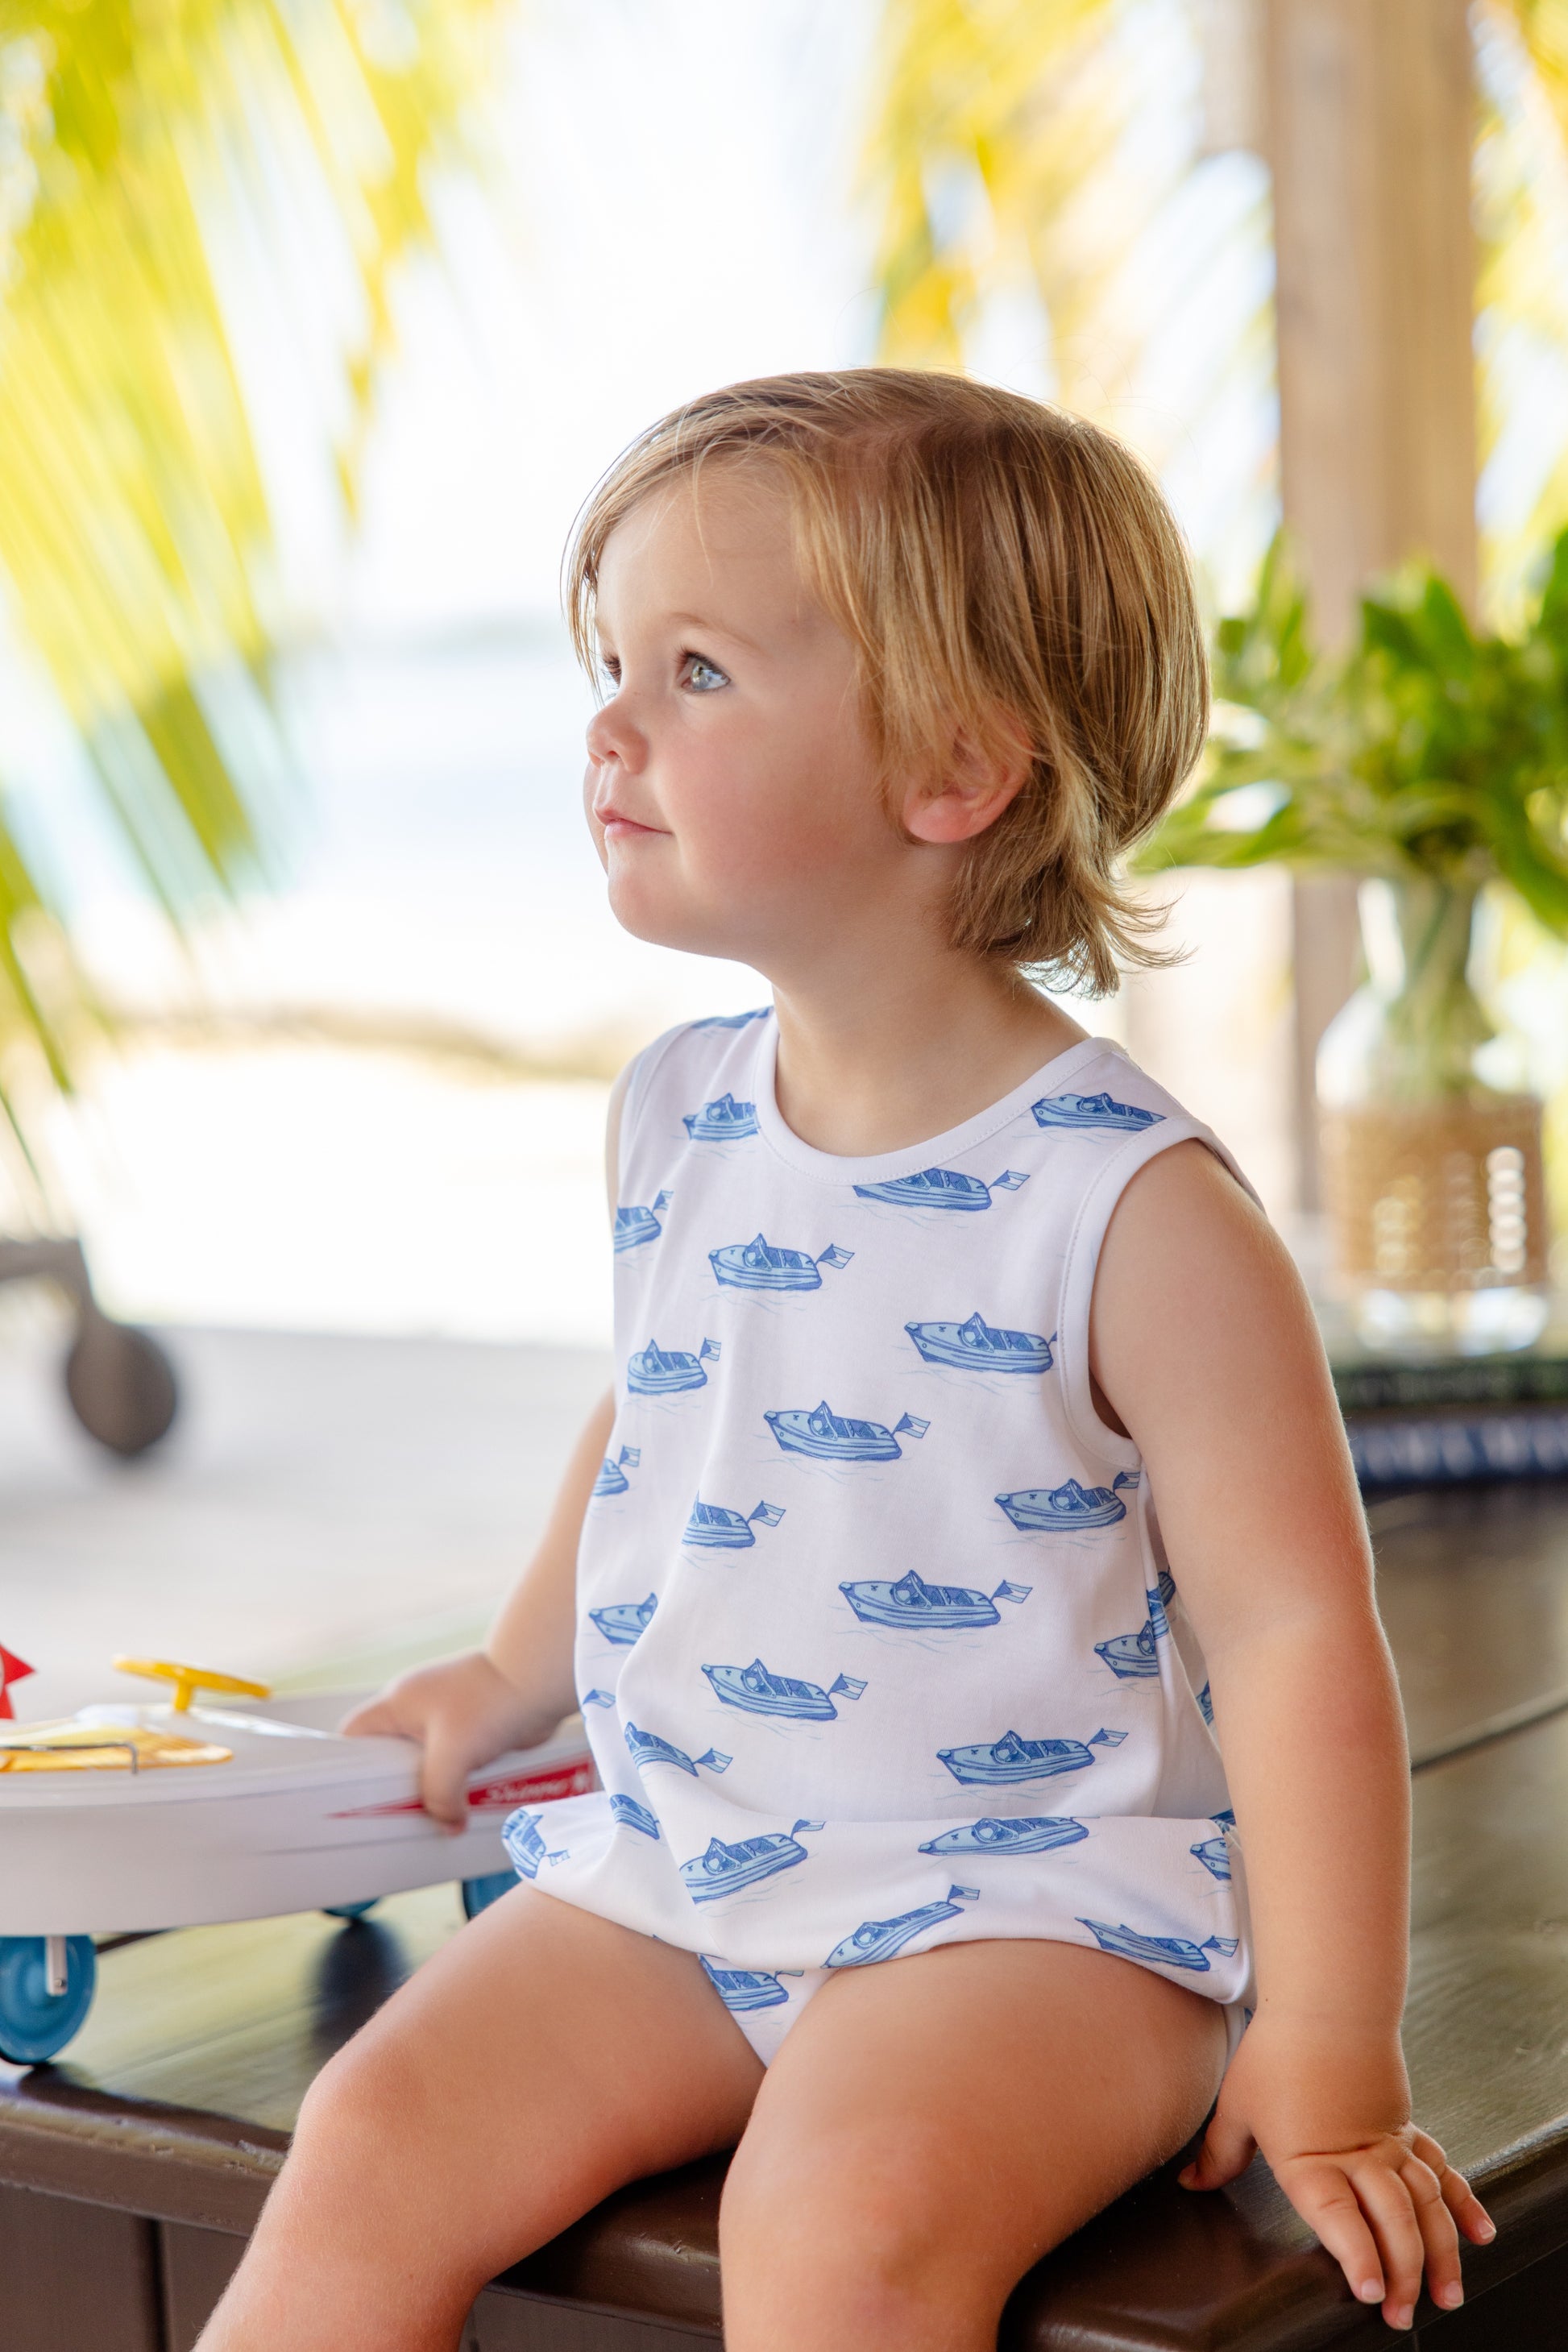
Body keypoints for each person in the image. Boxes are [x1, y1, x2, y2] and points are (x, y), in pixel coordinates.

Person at [197, 370, 1495, 2352]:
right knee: (372, 2128)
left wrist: (1329, 2042)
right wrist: (511, 1666)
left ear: (955, 766)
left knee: (838, 2221)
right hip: (690, 1871)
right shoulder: (678, 1109)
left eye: (697, 671)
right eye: (612, 663)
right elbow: (668, 1407)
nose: (609, 726)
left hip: (1037, 1915)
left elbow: (1300, 1630)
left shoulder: (1133, 1202)